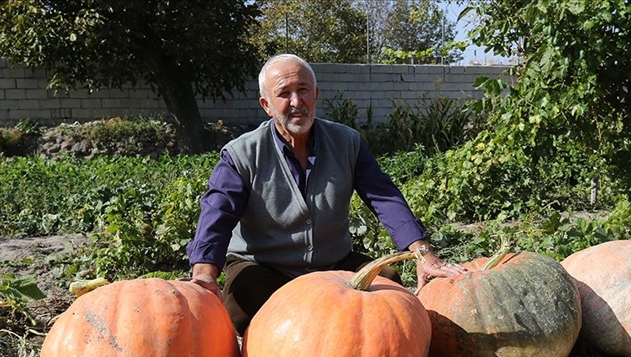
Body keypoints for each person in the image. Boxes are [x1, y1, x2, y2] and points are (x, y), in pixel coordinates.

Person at [186, 53, 465, 334]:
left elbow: (384, 196)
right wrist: (204, 274)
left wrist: (424, 255)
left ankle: (337, 336)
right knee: (242, 301)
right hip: (264, 266)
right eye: (284, 94)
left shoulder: (347, 142)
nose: (297, 102)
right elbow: (218, 212)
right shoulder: (242, 154)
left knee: (388, 283)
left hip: (331, 264)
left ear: (316, 94)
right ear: (266, 105)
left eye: (303, 90)